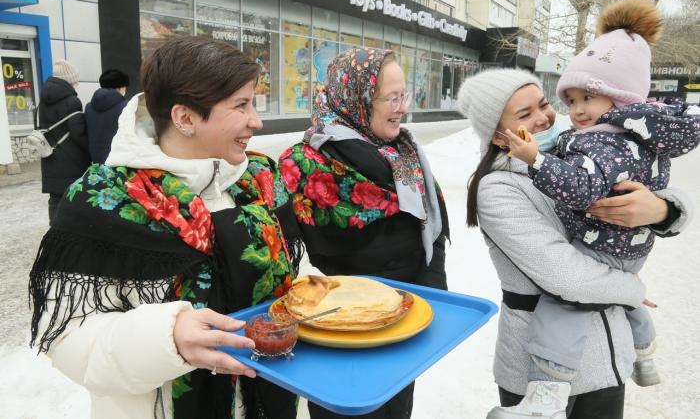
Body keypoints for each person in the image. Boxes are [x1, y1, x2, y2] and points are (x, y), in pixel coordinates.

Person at [29, 37, 302, 419]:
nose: (256, 121)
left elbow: (290, 286)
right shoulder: (103, 199)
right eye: (241, 105)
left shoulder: (259, 179)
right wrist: (166, 338)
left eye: (253, 102)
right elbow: (66, 338)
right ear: (185, 118)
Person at [501, 0, 700, 418]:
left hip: (604, 263)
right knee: (607, 293)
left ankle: (547, 394)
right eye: (568, 101)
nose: (571, 112)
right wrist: (632, 285)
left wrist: (663, 210)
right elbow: (565, 269)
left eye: (586, 99)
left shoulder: (604, 145)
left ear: (618, 98)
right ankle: (645, 346)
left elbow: (579, 187)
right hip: (617, 271)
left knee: (561, 305)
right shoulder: (628, 138)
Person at [456, 68, 693, 419]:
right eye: (525, 115)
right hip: (539, 373)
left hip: (608, 358)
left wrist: (661, 209)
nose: (544, 117)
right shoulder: (499, 188)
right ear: (498, 136)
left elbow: (644, 174)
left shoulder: (581, 150)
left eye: (543, 104)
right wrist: (631, 288)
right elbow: (566, 276)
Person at [278, 47, 450, 418]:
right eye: (391, 97)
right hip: (340, 333)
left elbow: (431, 227)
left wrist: (432, 292)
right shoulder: (305, 164)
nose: (402, 107)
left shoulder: (404, 152)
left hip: (405, 323)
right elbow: (284, 259)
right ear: (354, 98)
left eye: (404, 95)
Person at [36, 59, 90, 225]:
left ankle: (55, 230)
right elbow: (77, 133)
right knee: (74, 197)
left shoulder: (43, 99)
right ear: (69, 79)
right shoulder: (72, 101)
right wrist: (90, 150)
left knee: (55, 200)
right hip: (70, 160)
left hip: (50, 155)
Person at [85, 68, 130, 163]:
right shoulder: (127, 106)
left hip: (95, 163)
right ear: (119, 88)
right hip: (119, 162)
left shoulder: (89, 107)